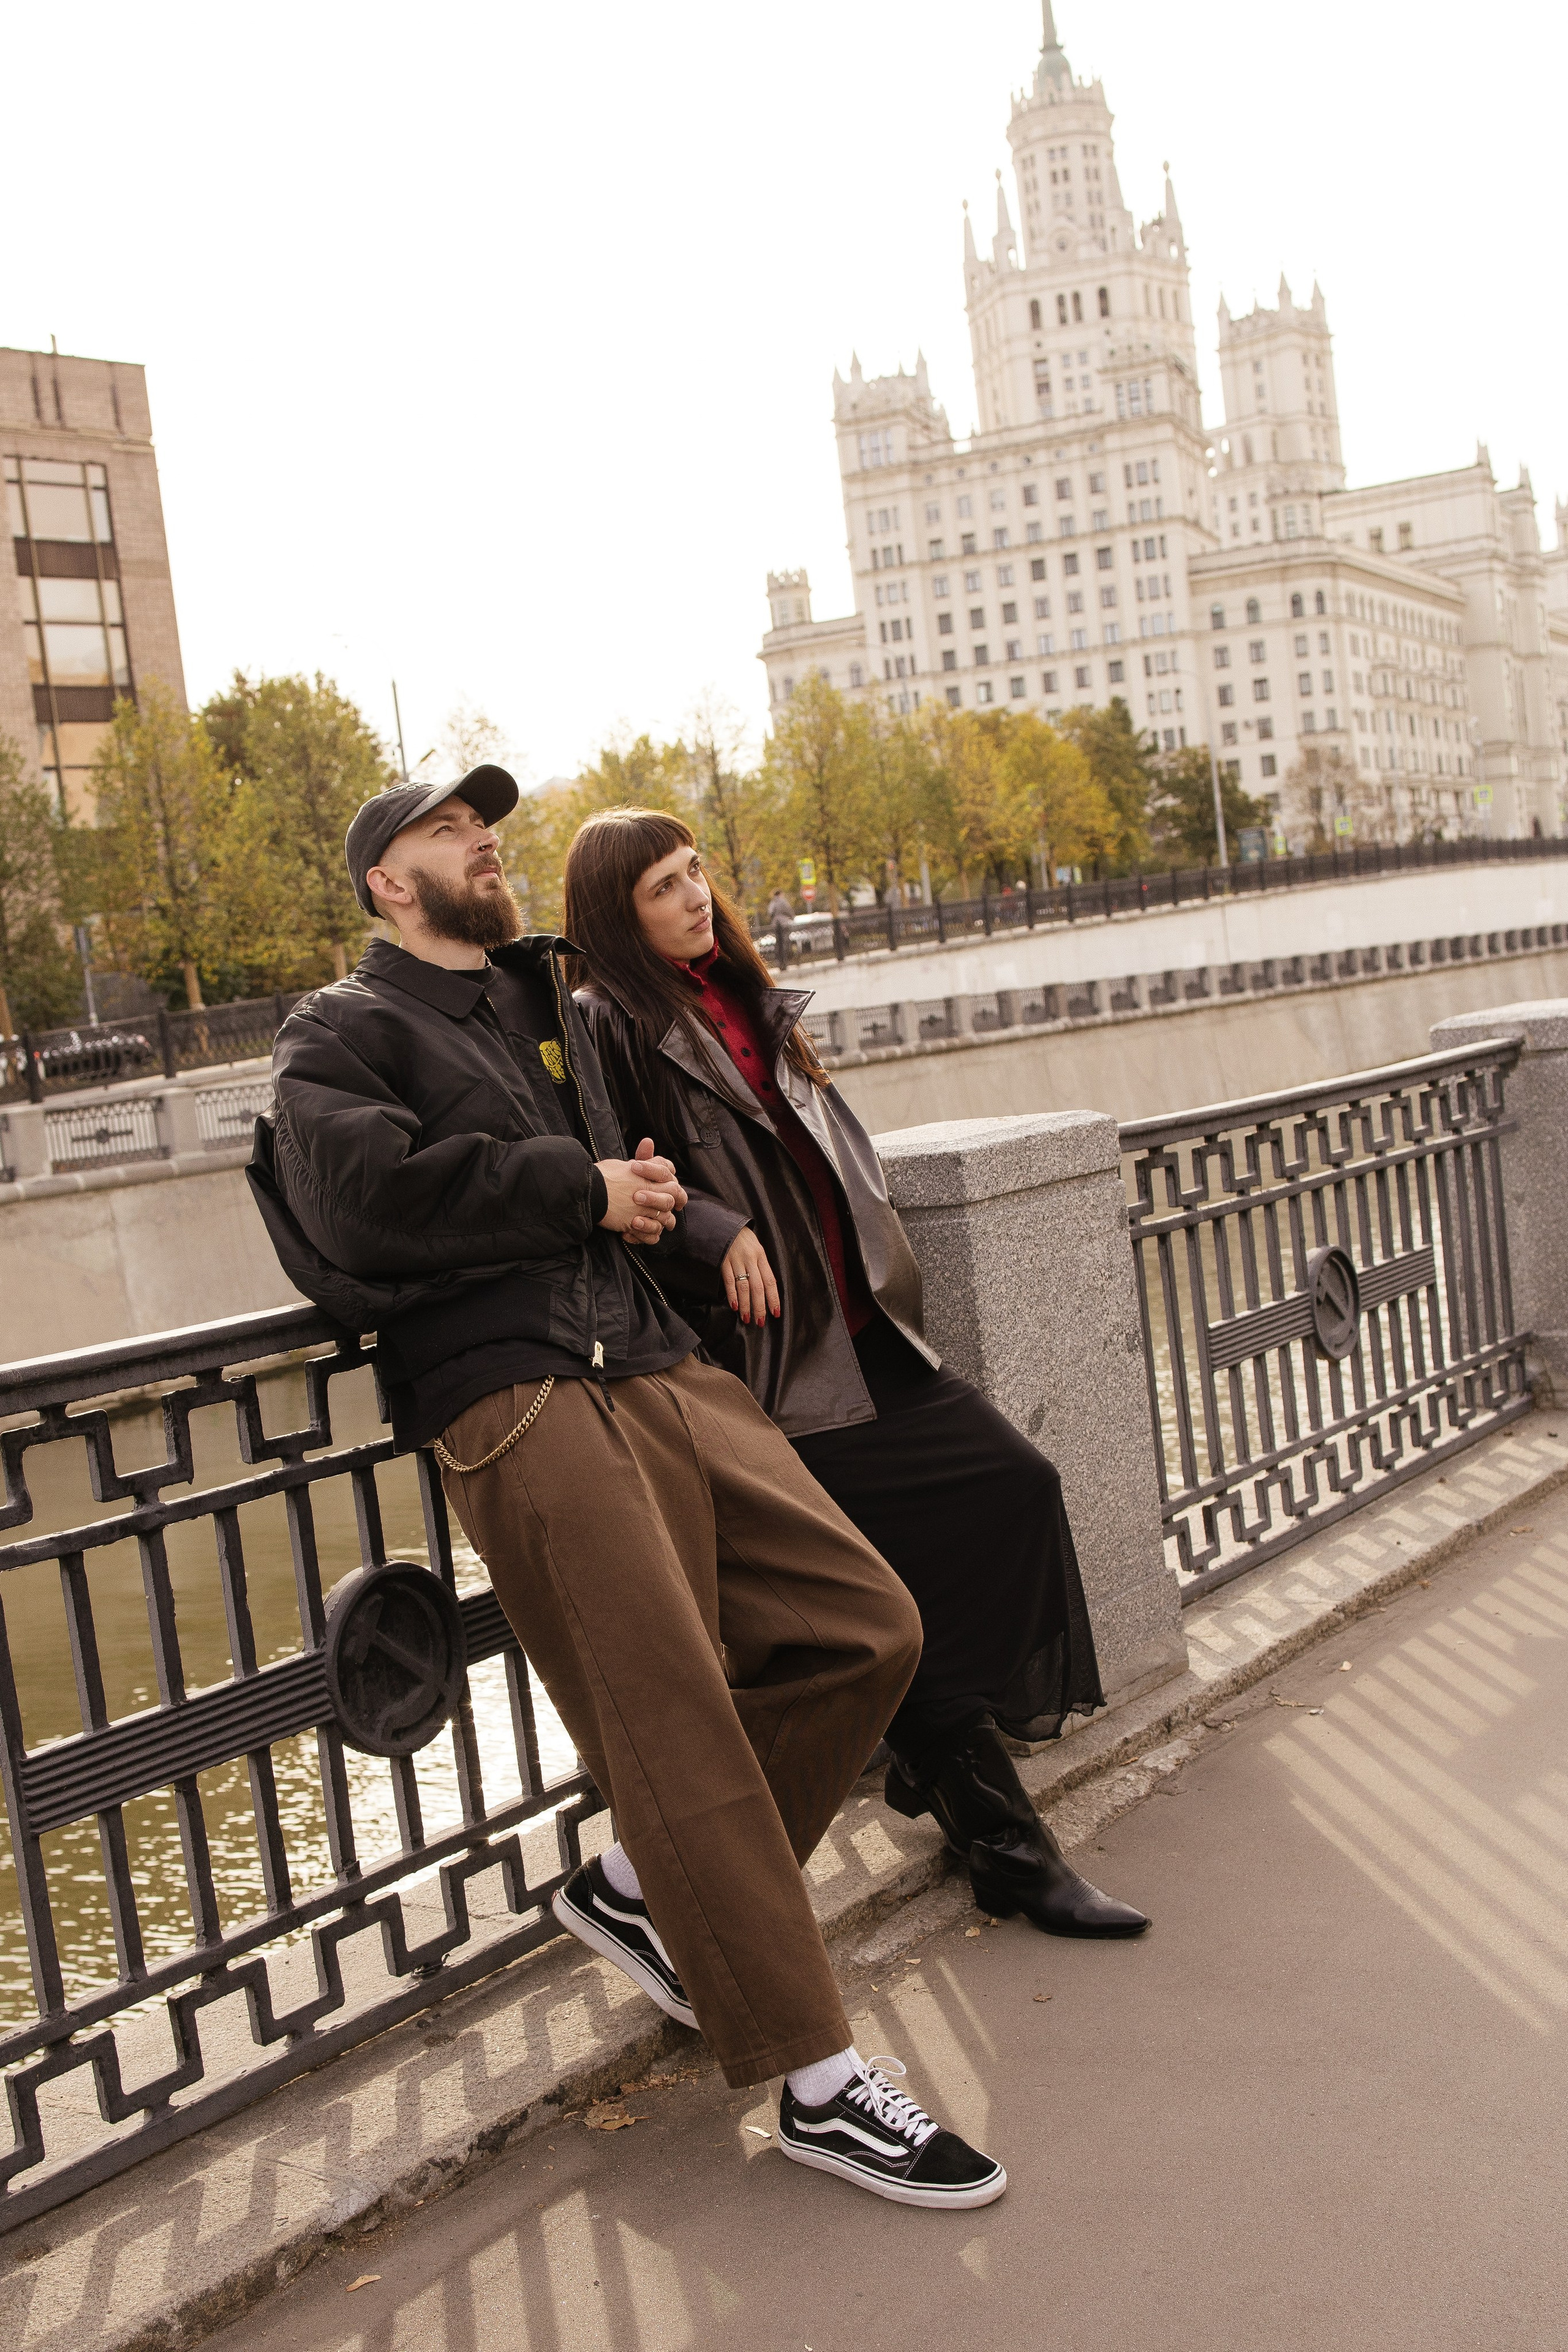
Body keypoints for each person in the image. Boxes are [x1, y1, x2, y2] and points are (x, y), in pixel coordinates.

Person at [246, 766, 1008, 2211]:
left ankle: (645, 1890)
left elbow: (630, 1172)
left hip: (652, 1356)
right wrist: (575, 1188)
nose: (485, 839)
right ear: (386, 883)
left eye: (486, 822)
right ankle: (815, 2081)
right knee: (670, 1716)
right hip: (511, 1388)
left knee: (866, 1625)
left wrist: (664, 1207)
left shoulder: (548, 1007)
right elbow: (361, 1201)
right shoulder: (339, 1030)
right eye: (449, 830)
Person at [564, 809, 1148, 1942]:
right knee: (894, 1593)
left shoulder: (741, 994)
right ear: (616, 920)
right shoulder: (611, 1023)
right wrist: (710, 1230)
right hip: (772, 1363)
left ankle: (940, 1769)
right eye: (662, 891)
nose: (694, 898)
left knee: (1015, 1487)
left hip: (865, 1327)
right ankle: (1010, 1852)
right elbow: (616, 1184)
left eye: (696, 875)